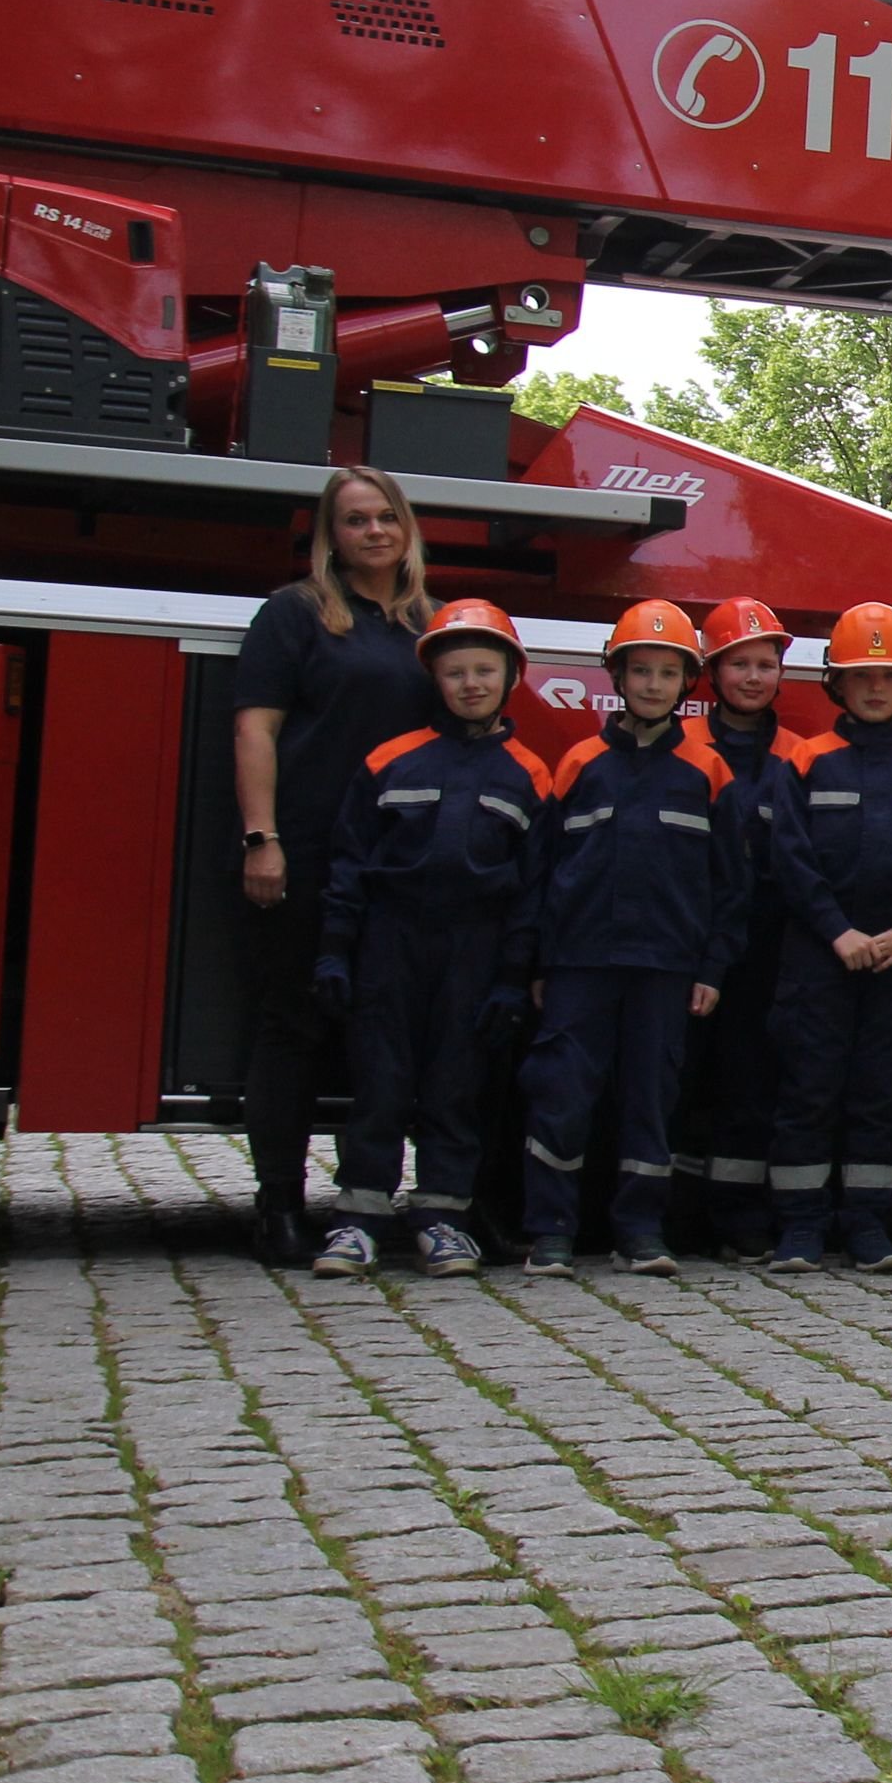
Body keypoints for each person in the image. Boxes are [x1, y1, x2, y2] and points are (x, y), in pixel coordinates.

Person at [231, 465, 440, 1264]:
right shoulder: (294, 615)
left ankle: (372, 1204)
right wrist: (262, 836)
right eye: (355, 520)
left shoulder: (429, 623)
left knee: (384, 1036)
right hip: (307, 850)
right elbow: (257, 730)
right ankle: (278, 1203)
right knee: (290, 1025)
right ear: (332, 535)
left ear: (407, 527)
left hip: (398, 863)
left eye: (386, 516)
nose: (374, 531)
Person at [310, 599, 542, 1280]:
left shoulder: (530, 774)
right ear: (433, 680)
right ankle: (357, 1220)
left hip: (476, 944)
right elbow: (349, 864)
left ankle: (443, 1219)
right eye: (455, 672)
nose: (470, 683)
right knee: (380, 1083)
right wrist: (335, 948)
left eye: (484, 670)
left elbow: (533, 889)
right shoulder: (389, 761)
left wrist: (511, 976)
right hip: (390, 939)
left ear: (510, 676)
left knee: (455, 1085)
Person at [520, 602, 747, 1277]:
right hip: (578, 964)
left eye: (667, 672)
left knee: (651, 1101)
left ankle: (640, 1229)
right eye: (641, 669)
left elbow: (732, 887)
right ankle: (551, 1230)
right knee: (562, 1095)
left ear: (687, 683)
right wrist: (536, 960)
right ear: (616, 675)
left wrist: (712, 965)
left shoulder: (709, 772)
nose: (652, 683)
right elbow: (539, 873)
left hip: (666, 965)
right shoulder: (577, 764)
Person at [762, 603, 892, 1273]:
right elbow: (790, 860)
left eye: (890, 675)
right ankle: (801, 1228)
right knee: (809, 1090)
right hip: (818, 959)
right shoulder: (805, 762)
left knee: (880, 1093)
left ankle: (868, 1226)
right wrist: (836, 931)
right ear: (835, 683)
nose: (876, 687)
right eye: (862, 675)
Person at [676, 596, 795, 1257]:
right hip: (693, 939)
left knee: (753, 1080)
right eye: (739, 663)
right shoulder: (683, 747)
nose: (753, 676)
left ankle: (741, 1216)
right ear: (712, 672)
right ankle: (678, 1211)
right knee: (682, 1079)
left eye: (766, 663)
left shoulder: (799, 756)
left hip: (769, 944)